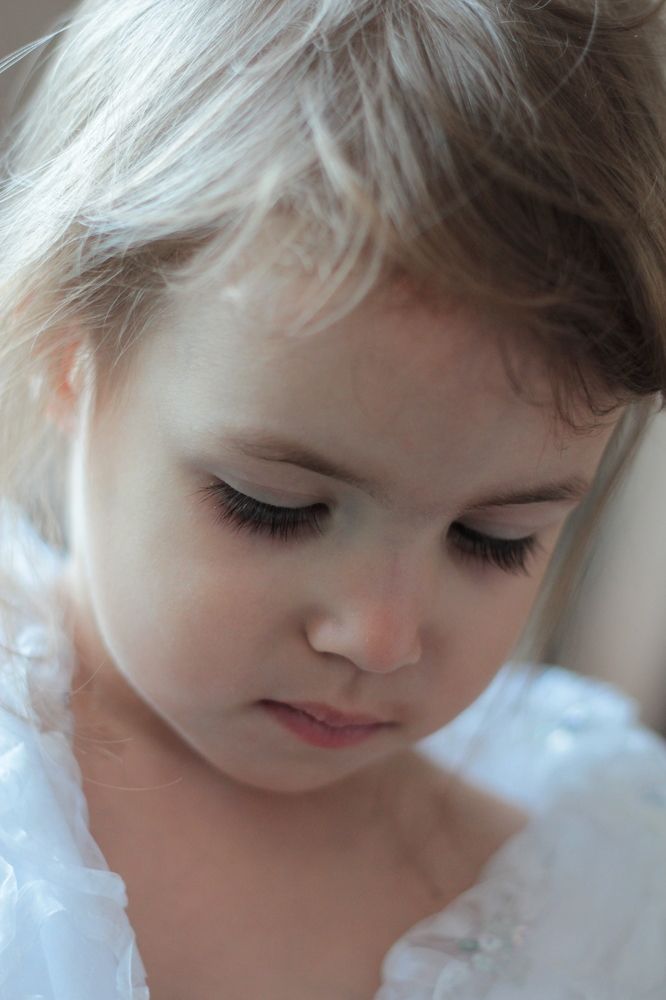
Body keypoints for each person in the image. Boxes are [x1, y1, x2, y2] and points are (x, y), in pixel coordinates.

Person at [0, 0, 665, 997]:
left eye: (493, 538)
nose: (380, 638)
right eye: (274, 507)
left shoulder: (586, 903)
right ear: (69, 361)